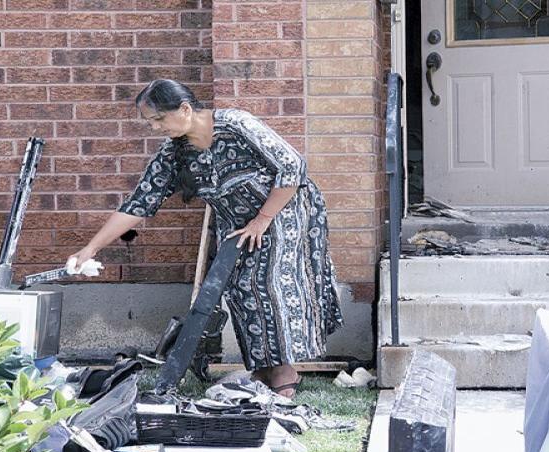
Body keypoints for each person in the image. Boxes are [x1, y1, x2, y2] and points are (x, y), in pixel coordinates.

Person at [69, 79, 344, 398]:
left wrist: (263, 218)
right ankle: (263, 370)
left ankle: (285, 376)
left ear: (184, 109)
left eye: (159, 119)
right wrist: (91, 247)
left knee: (266, 283)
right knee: (240, 290)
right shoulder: (175, 153)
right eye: (151, 122)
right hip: (239, 223)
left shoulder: (237, 124)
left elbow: (292, 166)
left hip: (286, 210)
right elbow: (139, 202)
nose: (157, 128)